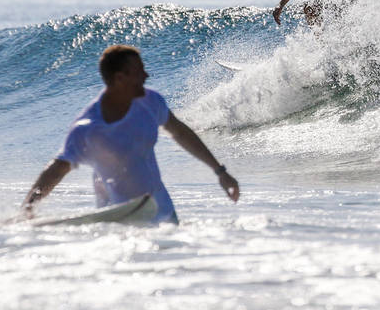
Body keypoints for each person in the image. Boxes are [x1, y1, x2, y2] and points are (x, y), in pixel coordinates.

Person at [22, 45, 239, 224]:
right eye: (138, 71)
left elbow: (180, 133)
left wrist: (220, 171)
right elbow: (58, 169)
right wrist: (28, 208)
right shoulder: (89, 128)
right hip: (119, 219)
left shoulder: (151, 102)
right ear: (119, 78)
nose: (146, 75)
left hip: (163, 212)